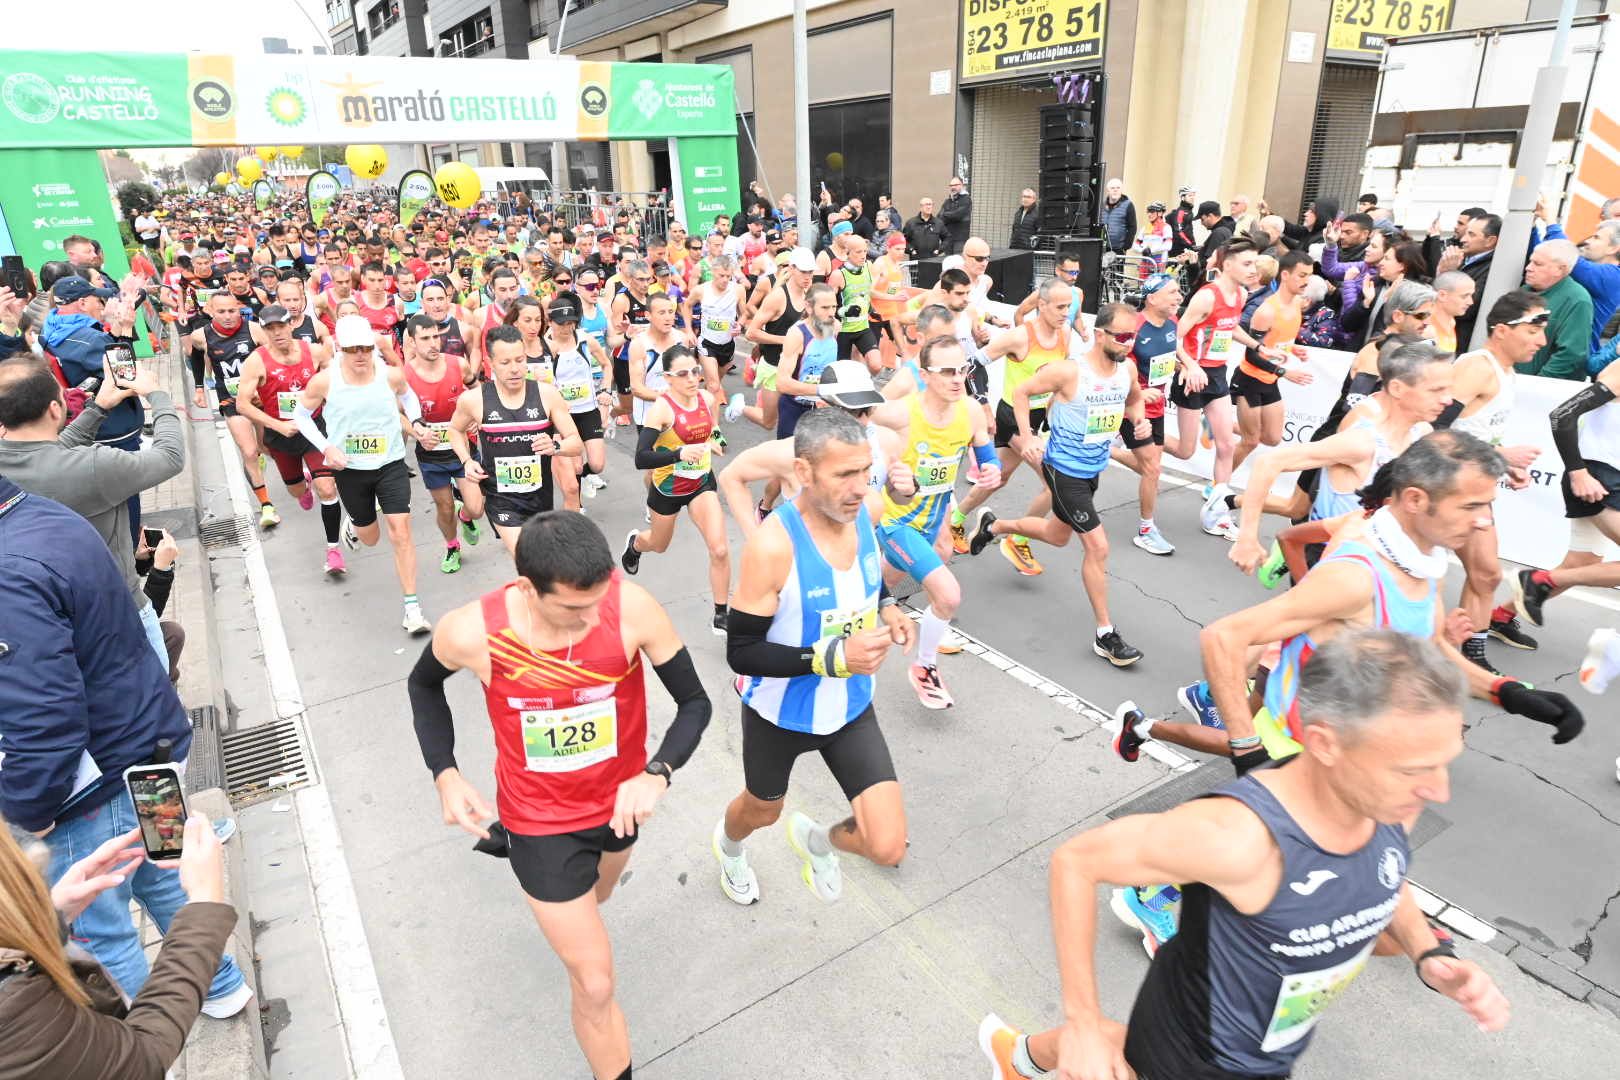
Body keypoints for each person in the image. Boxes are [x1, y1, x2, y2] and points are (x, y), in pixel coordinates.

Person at [979, 629, 1511, 1080]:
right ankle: (1034, 1053)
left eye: (1444, 764)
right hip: (1193, 1055)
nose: (1438, 791)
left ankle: (1020, 1057)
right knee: (1112, 1049)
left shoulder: (1389, 798)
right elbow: (1077, 861)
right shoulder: (1237, 836)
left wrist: (1428, 954)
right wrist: (1083, 1022)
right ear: (1326, 745)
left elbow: (1384, 871)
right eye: (1414, 768)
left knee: (1114, 1050)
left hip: (1267, 1057)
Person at [406, 511, 712, 1080]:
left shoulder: (633, 608)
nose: (592, 617)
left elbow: (696, 703)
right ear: (527, 588)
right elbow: (423, 684)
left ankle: (574, 918)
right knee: (595, 981)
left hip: (618, 810)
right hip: (538, 822)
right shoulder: (473, 631)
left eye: (598, 600)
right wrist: (445, 773)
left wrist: (657, 772)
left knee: (599, 901)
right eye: (574, 608)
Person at [0, 475, 252, 1018]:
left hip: (84, 791)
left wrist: (26, 815)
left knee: (99, 930)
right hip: (150, 747)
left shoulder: (7, 571)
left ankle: (148, 1039)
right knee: (168, 877)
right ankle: (222, 985)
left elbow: (45, 720)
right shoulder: (47, 515)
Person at [717, 408, 917, 905]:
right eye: (843, 474)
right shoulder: (771, 548)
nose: (858, 487)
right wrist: (832, 657)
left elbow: (867, 585)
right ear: (803, 473)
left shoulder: (865, 512)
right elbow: (741, 653)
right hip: (779, 714)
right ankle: (727, 847)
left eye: (865, 472)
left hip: (849, 705)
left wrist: (889, 608)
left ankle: (815, 842)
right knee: (763, 811)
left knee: (887, 845)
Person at [965, 303, 1149, 667]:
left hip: (1093, 468)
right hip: (1064, 470)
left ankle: (994, 526)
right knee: (1097, 547)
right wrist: (1027, 436)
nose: (1130, 344)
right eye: (1123, 336)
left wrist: (1139, 422)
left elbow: (1135, 400)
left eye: (1134, 337)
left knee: (1056, 534)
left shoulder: (1126, 368)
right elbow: (1020, 394)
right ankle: (1105, 634)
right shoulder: (1068, 371)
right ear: (1100, 334)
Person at [0, 815, 237, 1076]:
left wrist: (47, 917)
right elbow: (144, 1058)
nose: (42, 886)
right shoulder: (16, 1010)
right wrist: (205, 903)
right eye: (33, 881)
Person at [0, 357, 184, 667]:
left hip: (49, 617)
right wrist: (157, 395)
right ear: (56, 409)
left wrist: (98, 409)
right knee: (155, 696)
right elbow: (170, 457)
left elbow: (49, 454)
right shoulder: (95, 467)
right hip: (118, 611)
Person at [870, 336, 999, 709]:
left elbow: (988, 459)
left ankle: (813, 638)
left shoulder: (971, 411)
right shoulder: (902, 413)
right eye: (946, 371)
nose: (958, 378)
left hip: (931, 520)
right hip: (896, 524)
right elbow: (855, 411)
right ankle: (924, 667)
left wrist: (991, 471)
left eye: (962, 369)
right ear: (924, 375)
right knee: (948, 594)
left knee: (869, 593)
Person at [295, 314, 433, 635]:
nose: (360, 355)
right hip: (351, 471)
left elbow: (409, 397)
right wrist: (327, 447)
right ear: (340, 348)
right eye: (353, 349)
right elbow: (300, 416)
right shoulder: (326, 381)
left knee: (401, 531)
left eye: (366, 349)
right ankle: (355, 524)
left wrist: (418, 421)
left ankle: (412, 608)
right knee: (370, 538)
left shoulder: (390, 375)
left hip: (390, 465)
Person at [1443, 291, 1547, 669]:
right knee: (1411, 578)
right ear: (1501, 330)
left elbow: (1478, 430)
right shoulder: (1477, 367)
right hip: (1441, 490)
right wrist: (1501, 456)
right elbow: (1433, 428)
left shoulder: (1507, 372)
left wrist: (1503, 463)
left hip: (1474, 490)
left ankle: (1470, 661)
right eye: (1534, 330)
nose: (1542, 340)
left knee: (1486, 574)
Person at [947, 275, 1073, 567]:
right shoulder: (1020, 336)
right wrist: (981, 405)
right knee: (1055, 485)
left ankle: (956, 518)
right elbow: (971, 364)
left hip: (1037, 419)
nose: (1066, 313)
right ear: (1042, 305)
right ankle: (1017, 539)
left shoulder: (1064, 334)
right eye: (1060, 307)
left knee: (999, 478)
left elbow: (1057, 376)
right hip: (1013, 418)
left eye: (1069, 307)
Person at [717, 360, 912, 536]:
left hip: (859, 559)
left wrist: (904, 490)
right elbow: (731, 477)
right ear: (821, 406)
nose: (861, 421)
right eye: (852, 411)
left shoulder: (886, 441)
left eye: (867, 410)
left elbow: (899, 499)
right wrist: (755, 538)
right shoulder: (792, 451)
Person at [1172, 238, 1282, 537]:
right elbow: (1175, 336)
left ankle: (1217, 513)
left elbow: (1230, 327)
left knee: (1226, 445)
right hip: (1192, 376)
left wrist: (1259, 346)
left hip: (1217, 375)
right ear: (1227, 265)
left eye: (1255, 264)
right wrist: (1191, 366)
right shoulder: (1206, 297)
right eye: (1247, 264)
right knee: (1185, 450)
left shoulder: (1242, 295)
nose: (1253, 270)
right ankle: (1128, 440)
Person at [620, 344, 731, 635]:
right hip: (668, 487)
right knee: (659, 544)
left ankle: (721, 613)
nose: (693, 378)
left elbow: (713, 430)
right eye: (683, 374)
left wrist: (717, 442)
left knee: (719, 549)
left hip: (701, 483)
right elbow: (641, 457)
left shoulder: (707, 398)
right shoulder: (662, 410)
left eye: (695, 371)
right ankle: (635, 545)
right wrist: (679, 454)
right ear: (668, 378)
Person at [231, 304, 347, 573]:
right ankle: (304, 485)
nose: (277, 333)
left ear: (292, 325)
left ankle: (333, 552)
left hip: (314, 429)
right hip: (281, 435)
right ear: (263, 331)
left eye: (281, 326)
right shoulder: (256, 361)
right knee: (296, 491)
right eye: (270, 329)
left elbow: (335, 383)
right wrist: (277, 426)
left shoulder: (315, 352)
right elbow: (242, 405)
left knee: (328, 489)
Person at [448, 325, 582, 553]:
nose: (515, 369)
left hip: (539, 497)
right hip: (500, 498)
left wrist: (556, 446)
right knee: (526, 556)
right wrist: (466, 460)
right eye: (505, 362)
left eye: (520, 360)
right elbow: (455, 430)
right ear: (490, 363)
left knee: (542, 561)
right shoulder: (474, 400)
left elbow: (575, 442)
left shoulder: (546, 394)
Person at [1511, 352, 1620, 632]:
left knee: (1580, 564)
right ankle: (1538, 581)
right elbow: (1562, 415)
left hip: (1608, 478)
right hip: (1597, 478)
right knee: (1570, 571)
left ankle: (1499, 615)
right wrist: (1578, 472)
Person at [186, 291, 277, 527]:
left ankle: (264, 452)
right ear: (211, 312)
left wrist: (265, 387)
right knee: (247, 452)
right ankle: (266, 506)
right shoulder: (200, 335)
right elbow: (195, 357)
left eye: (232, 310)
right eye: (221, 312)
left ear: (239, 309)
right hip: (231, 399)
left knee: (267, 446)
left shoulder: (254, 330)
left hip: (258, 397)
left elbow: (273, 358)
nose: (227, 316)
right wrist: (199, 388)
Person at [398, 313, 481, 573]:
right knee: (444, 506)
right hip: (431, 453)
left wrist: (477, 416)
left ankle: (465, 516)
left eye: (436, 336)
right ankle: (452, 546)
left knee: (477, 508)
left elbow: (477, 390)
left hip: (463, 448)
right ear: (412, 341)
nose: (433, 343)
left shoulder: (459, 365)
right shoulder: (405, 376)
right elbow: (396, 413)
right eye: (425, 338)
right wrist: (416, 432)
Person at [1112, 272, 1181, 555]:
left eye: (1179, 292)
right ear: (1152, 299)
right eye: (1172, 293)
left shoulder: (1173, 323)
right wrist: (1138, 394)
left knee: (1150, 468)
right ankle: (1146, 529)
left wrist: (1180, 366)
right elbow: (1118, 371)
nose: (1179, 297)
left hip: (1158, 405)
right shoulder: (1134, 328)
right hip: (1132, 407)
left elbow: (1165, 358)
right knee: (1152, 468)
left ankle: (1107, 450)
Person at [1230, 250, 1315, 472]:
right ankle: (1218, 483)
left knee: (1272, 438)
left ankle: (1219, 424)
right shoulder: (1267, 310)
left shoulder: (1296, 303)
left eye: (1309, 276)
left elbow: (1275, 341)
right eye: (1302, 275)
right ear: (1285, 275)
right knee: (1250, 441)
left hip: (1269, 380)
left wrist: (1293, 348)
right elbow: (1252, 353)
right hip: (1249, 379)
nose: (1306, 282)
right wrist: (1284, 373)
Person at [540, 294, 616, 511]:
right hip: (562, 416)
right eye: (562, 324)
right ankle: (577, 503)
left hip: (588, 409)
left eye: (571, 323)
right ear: (550, 322)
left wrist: (606, 392)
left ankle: (585, 478)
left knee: (596, 464)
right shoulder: (545, 347)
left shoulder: (585, 340)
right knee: (573, 465)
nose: (567, 328)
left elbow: (606, 365)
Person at [1535, 200, 1620, 357]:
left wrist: (1551, 221)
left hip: (1571, 358)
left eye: (1596, 238)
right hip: (1552, 350)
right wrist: (1533, 227)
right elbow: (1544, 257)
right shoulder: (1590, 268)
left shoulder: (1613, 277)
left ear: (1613, 248)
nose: (1587, 241)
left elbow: (1565, 256)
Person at [771, 283, 842, 440]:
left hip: (824, 409)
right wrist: (822, 390)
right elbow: (782, 383)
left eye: (834, 307)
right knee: (791, 461)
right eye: (825, 308)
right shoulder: (797, 334)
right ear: (809, 307)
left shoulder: (836, 327)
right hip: (796, 409)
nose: (831, 313)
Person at [1520, 238, 1595, 381]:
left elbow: (1572, 354)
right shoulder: (1523, 291)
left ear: (1560, 269)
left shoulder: (1577, 300)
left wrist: (1536, 384)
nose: (1528, 267)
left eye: (1538, 264)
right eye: (1530, 261)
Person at [1100, 179, 1137, 256]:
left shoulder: (1128, 205)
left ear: (1121, 190)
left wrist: (1125, 247)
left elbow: (1132, 227)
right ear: (1108, 190)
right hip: (1102, 248)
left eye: (1118, 188)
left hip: (1118, 249)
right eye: (1112, 188)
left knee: (1117, 268)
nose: (1115, 190)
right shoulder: (1101, 206)